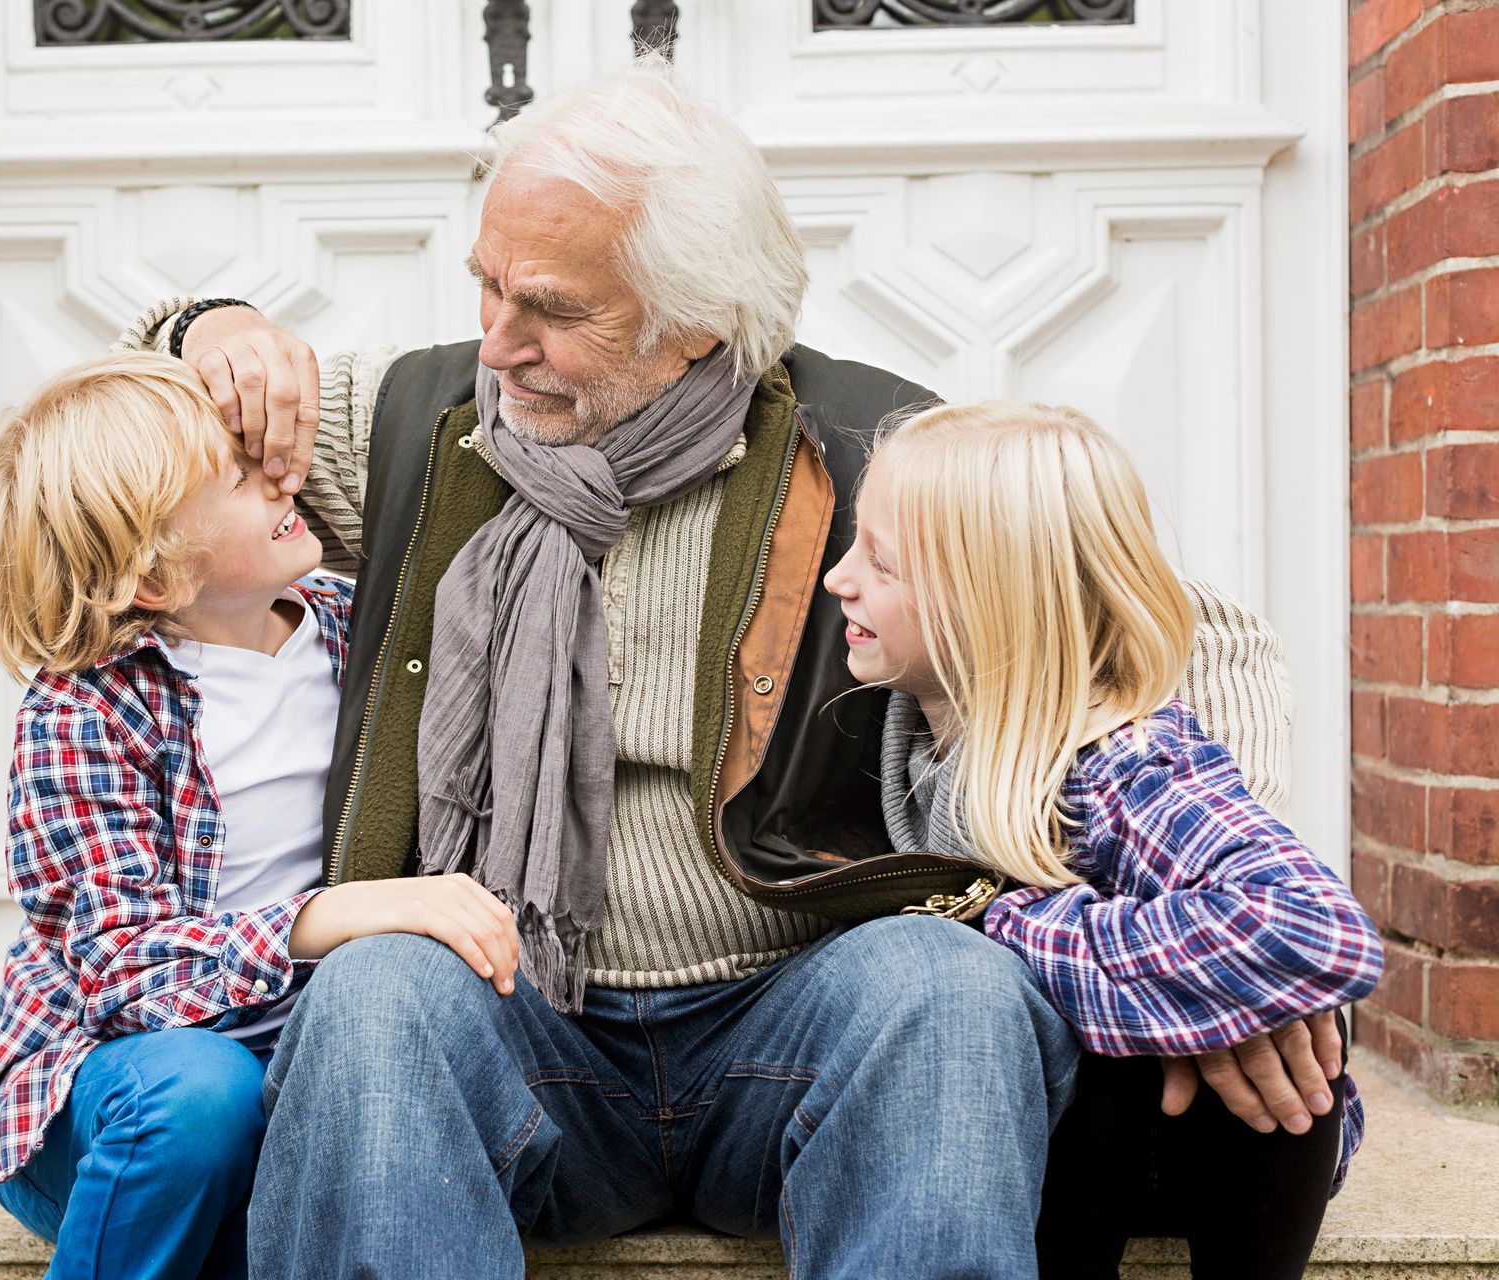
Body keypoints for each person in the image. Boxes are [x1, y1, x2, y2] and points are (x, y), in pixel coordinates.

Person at [120, 57, 1341, 1280]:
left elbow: (1194, 631)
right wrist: (205, 330)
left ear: (696, 322)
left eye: (549, 306)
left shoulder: (873, 443)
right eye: (485, 285)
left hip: (798, 1007)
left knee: (947, 982)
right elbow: (120, 458)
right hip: (515, 1020)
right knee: (375, 991)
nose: (497, 340)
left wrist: (1217, 956)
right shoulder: (418, 423)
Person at [0, 352, 521, 1280]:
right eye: (240, 478)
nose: (282, 477)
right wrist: (328, 917)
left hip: (298, 1060)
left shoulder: (355, 631)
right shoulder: (85, 712)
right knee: (202, 1098)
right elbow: (119, 974)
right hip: (122, 1098)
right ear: (155, 577)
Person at [821, 400, 1384, 1279]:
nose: (839, 580)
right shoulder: (908, 735)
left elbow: (1307, 926)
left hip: (1203, 1139)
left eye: (881, 562)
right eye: (857, 544)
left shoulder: (1115, 758)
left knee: (1122, 1042)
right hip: (1044, 1143)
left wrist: (1003, 924)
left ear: (993, 601)